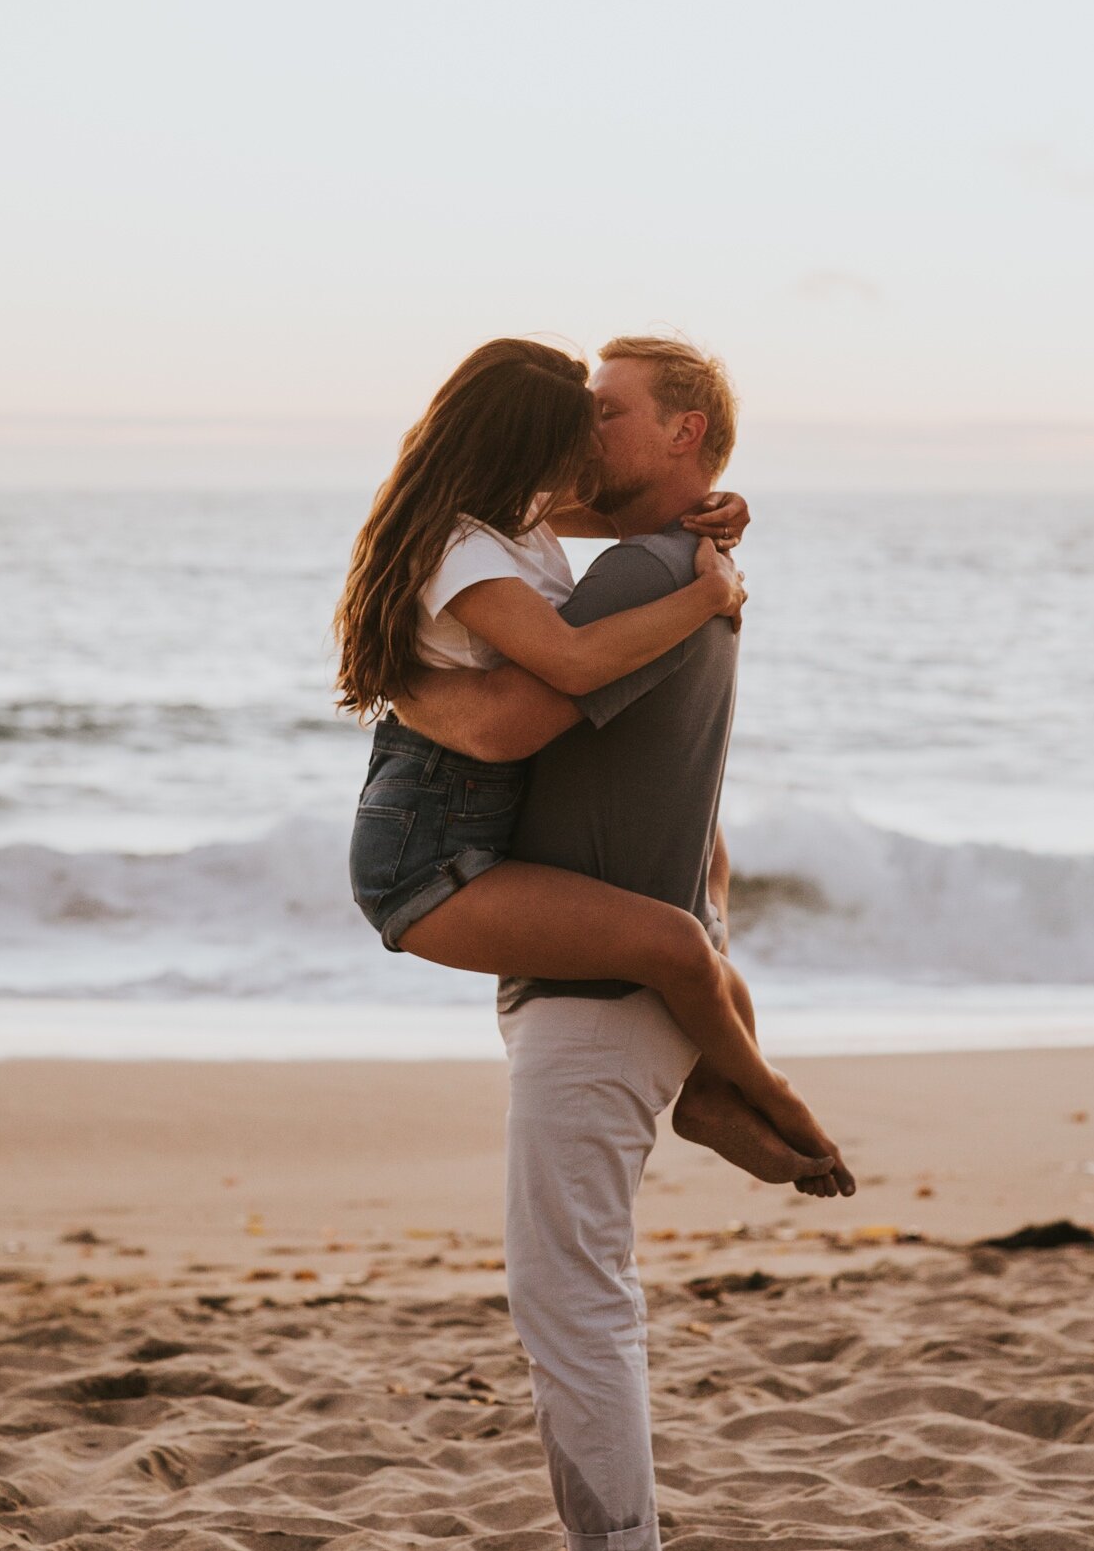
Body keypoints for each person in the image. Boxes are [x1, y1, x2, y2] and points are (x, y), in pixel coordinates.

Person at [383, 334, 856, 1551]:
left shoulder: (654, 580)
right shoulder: (662, 565)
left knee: (569, 1291)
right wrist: (708, 527)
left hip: (602, 991)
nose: (584, 431)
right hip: (589, 964)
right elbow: (546, 522)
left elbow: (512, 716)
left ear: (686, 432)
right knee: (569, 1284)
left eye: (611, 411)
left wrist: (390, 677)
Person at [333, 338, 851, 1180]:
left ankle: (716, 1099)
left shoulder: (511, 521)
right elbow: (571, 667)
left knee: (715, 951)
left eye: (601, 419)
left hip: (477, 822)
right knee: (680, 949)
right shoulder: (463, 550)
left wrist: (718, 509)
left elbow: (620, 515)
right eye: (575, 428)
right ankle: (774, 1093)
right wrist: (706, 596)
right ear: (518, 445)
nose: (584, 449)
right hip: (424, 858)